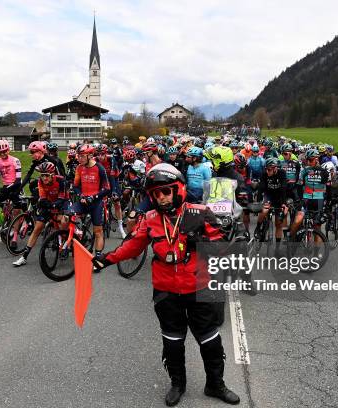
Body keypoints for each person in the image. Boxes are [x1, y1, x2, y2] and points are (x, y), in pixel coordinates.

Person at [93, 164, 240, 406]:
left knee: (210, 341)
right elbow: (133, 246)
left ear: (178, 189)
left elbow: (223, 248)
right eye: (156, 194)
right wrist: (106, 260)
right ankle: (177, 384)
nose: (161, 197)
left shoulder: (200, 212)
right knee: (172, 342)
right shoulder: (150, 219)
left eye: (166, 191)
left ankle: (216, 385)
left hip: (199, 287)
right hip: (166, 291)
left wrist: (202, 241)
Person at [13, 162, 69, 266]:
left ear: (52, 174)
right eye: (42, 175)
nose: (44, 178)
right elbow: (42, 197)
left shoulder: (61, 181)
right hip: (49, 203)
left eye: (47, 175)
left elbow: (62, 198)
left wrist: (53, 205)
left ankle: (66, 243)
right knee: (37, 228)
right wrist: (46, 204)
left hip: (62, 203)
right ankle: (24, 256)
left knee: (63, 221)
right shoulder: (40, 182)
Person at [72, 144, 110, 256]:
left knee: (98, 231)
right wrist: (81, 196)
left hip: (96, 203)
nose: (79, 158)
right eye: (78, 156)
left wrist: (93, 197)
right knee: (66, 217)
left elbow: (107, 188)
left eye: (82, 156)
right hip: (83, 201)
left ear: (90, 155)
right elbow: (76, 186)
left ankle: (98, 256)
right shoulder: (79, 168)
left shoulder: (100, 168)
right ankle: (76, 235)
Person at [256, 157, 288, 254]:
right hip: (268, 195)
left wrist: (284, 203)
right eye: (266, 169)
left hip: (278, 197)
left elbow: (283, 188)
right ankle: (258, 227)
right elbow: (261, 188)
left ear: (275, 168)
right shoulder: (264, 174)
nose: (267, 171)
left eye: (269, 169)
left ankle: (277, 248)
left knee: (279, 224)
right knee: (264, 211)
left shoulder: (282, 173)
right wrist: (258, 202)